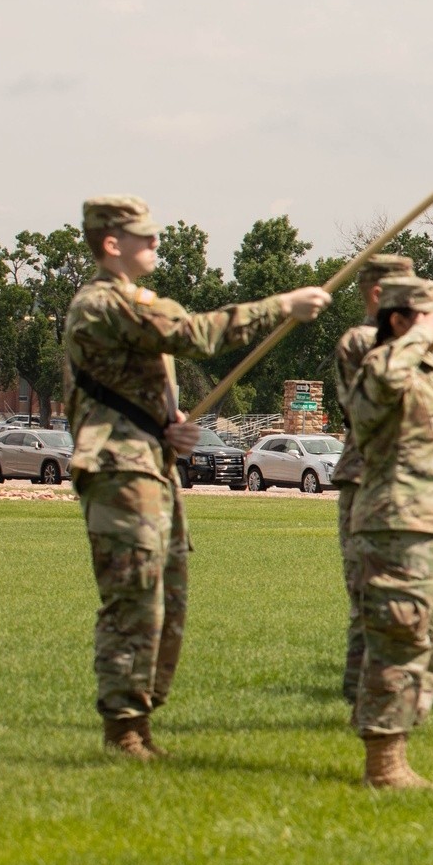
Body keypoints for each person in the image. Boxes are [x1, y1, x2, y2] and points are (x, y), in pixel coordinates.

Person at [62, 195, 330, 758]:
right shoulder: (102, 304)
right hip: (118, 470)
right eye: (147, 236)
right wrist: (281, 305)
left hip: (150, 465)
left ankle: (141, 720)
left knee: (167, 599)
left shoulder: (131, 302)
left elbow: (134, 390)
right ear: (112, 244)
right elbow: (194, 335)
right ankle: (123, 729)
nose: (157, 243)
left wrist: (170, 426)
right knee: (133, 598)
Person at [344, 275, 433, 789]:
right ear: (400, 321)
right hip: (395, 526)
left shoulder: (426, 371)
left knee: (426, 643)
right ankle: (382, 764)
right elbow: (384, 380)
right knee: (398, 638)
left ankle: (397, 748)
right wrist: (413, 336)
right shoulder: (384, 364)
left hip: (429, 528)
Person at [329, 252, 415, 706]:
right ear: (379, 294)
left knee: (398, 593)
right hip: (366, 477)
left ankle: (385, 688)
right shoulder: (363, 342)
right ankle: (362, 692)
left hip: (401, 481)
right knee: (369, 593)